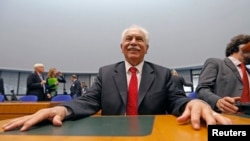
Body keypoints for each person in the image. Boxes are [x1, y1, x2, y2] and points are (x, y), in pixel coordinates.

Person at [2, 25, 232, 132]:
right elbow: (88, 101)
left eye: (139, 39)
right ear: (121, 47)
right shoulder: (105, 72)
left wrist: (195, 102)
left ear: (146, 48)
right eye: (128, 39)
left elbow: (177, 101)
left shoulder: (163, 73)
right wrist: (61, 110)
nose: (133, 42)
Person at [196, 34, 250, 114]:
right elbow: (202, 89)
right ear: (241, 48)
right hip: (224, 117)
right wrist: (218, 101)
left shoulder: (248, 71)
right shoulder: (215, 63)